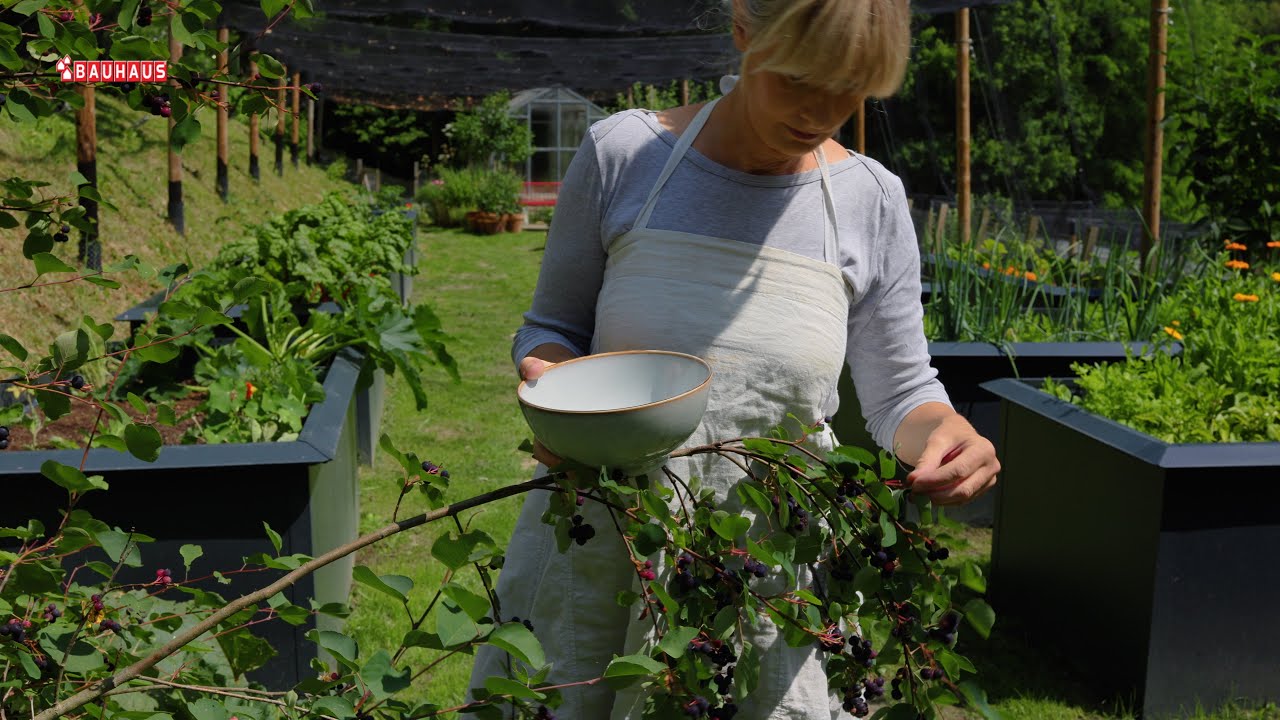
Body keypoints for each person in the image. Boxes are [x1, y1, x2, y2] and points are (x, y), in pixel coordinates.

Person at [470, 0, 1000, 717]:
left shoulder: (870, 200)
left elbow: (901, 391)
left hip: (767, 568)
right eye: (799, 78)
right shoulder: (623, 154)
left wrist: (947, 433)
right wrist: (556, 386)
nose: (820, 112)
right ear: (744, 31)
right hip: (601, 534)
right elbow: (551, 326)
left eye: (849, 88)